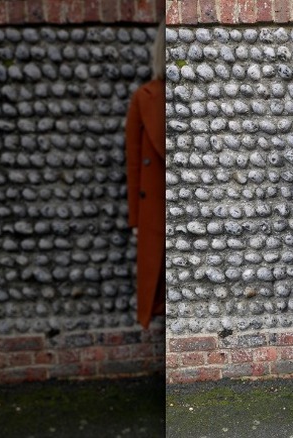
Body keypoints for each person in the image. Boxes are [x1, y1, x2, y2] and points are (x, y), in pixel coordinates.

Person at [125, 21, 166, 329]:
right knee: (158, 287)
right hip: (154, 207)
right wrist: (136, 219)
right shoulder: (145, 97)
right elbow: (134, 164)